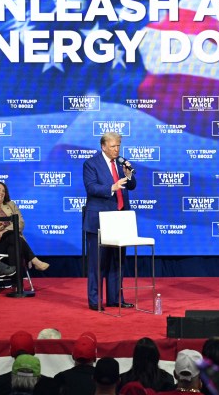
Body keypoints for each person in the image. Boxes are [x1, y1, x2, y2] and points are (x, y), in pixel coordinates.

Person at [82, 131, 136, 310]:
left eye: (118, 145)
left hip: (120, 219)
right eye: (113, 146)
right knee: (98, 263)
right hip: (99, 220)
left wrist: (129, 176)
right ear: (103, 146)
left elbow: (132, 186)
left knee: (117, 262)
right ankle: (95, 301)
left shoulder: (121, 163)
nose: (116, 149)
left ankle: (115, 299)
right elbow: (91, 188)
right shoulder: (91, 164)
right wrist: (112, 187)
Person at [0, 181, 49, 277]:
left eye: (4, 190)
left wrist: (5, 231)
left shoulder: (11, 205)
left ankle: (17, 285)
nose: (2, 192)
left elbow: (20, 223)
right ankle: (34, 260)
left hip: (14, 240)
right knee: (13, 237)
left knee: (13, 245)